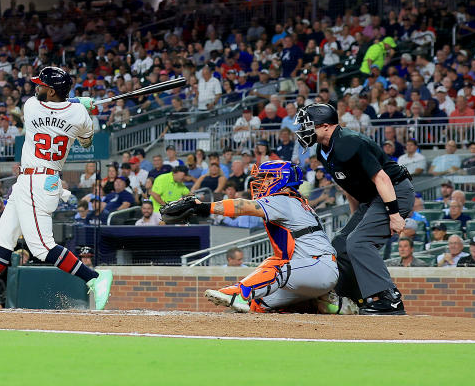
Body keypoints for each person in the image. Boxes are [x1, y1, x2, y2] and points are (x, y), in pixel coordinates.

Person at [0, 65, 113, 310]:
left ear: (52, 90)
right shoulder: (79, 115)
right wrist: (81, 108)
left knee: (41, 247)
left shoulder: (32, 106)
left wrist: (77, 103)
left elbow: (56, 108)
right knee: (3, 238)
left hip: (39, 183)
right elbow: (86, 139)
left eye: (42, 85)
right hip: (29, 181)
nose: (37, 88)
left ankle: (95, 279)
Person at [163, 161, 344, 314]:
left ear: (283, 180)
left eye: (268, 177)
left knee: (276, 267)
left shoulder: (284, 199)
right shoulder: (294, 201)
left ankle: (240, 293)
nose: (261, 182)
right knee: (257, 305)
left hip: (317, 267)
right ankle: (328, 304)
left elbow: (243, 207)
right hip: (307, 272)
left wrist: (202, 207)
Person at [295, 102, 414, 315]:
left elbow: (382, 177)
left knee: (359, 242)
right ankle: (354, 297)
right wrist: (356, 218)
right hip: (371, 200)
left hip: (395, 192)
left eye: (308, 125)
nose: (304, 130)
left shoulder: (349, 142)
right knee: (341, 244)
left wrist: (395, 214)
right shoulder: (323, 150)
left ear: (325, 126)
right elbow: (349, 187)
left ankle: (390, 298)